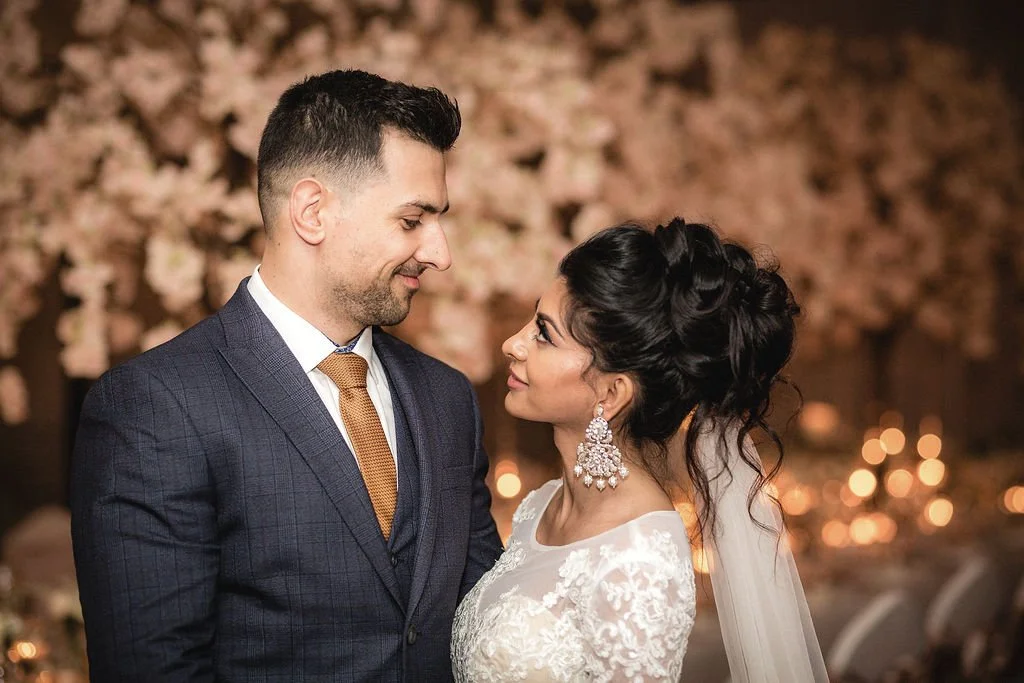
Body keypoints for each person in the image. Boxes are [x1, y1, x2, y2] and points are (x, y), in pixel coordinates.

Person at [71, 69, 503, 681]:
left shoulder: (447, 398)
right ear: (312, 211)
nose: (440, 252)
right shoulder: (156, 407)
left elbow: (482, 629)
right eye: (412, 221)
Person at [452, 219, 829, 682]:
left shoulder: (638, 556)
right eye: (532, 320)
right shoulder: (538, 506)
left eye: (544, 334)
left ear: (611, 395)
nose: (513, 343)